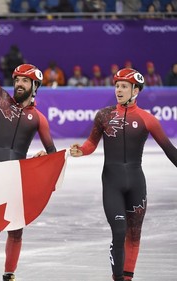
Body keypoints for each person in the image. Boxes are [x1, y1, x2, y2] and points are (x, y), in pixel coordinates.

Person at [70, 68, 177, 281]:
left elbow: (170, 150)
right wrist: (82, 150)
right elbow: (92, 143)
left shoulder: (148, 119)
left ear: (135, 90)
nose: (119, 90)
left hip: (136, 183)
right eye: (117, 85)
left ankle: (128, 277)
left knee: (134, 235)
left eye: (124, 86)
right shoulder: (104, 115)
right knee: (119, 232)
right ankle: (117, 278)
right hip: (112, 182)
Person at [0, 21, 57, 281]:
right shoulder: (2, 102)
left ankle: (9, 274)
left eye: (26, 81)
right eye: (18, 80)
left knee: (18, 227)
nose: (20, 84)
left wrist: (43, 158)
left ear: (35, 87)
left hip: (17, 173)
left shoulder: (39, 119)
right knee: (2, 215)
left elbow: (52, 153)